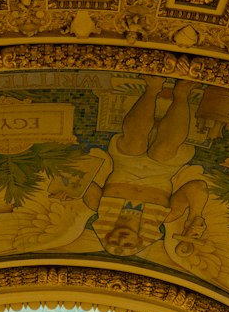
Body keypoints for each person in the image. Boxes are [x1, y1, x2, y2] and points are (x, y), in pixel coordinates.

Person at [79, 79, 208, 257]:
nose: (122, 239)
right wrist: (195, 215)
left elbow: (81, 180)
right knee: (163, 151)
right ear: (140, 240)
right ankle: (181, 95)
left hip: (126, 164)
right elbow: (197, 187)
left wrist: (69, 189)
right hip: (162, 169)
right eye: (127, 244)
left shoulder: (97, 205)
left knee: (134, 144)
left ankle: (152, 88)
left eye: (114, 241)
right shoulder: (166, 216)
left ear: (107, 234)